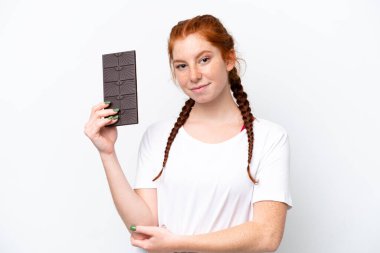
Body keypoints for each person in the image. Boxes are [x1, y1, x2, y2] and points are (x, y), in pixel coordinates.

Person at [84, 14, 292, 253]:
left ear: (229, 59)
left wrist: (178, 243)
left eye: (204, 60)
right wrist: (107, 153)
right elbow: (142, 227)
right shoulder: (158, 136)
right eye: (181, 65)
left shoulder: (270, 138)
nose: (193, 75)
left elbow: (266, 236)